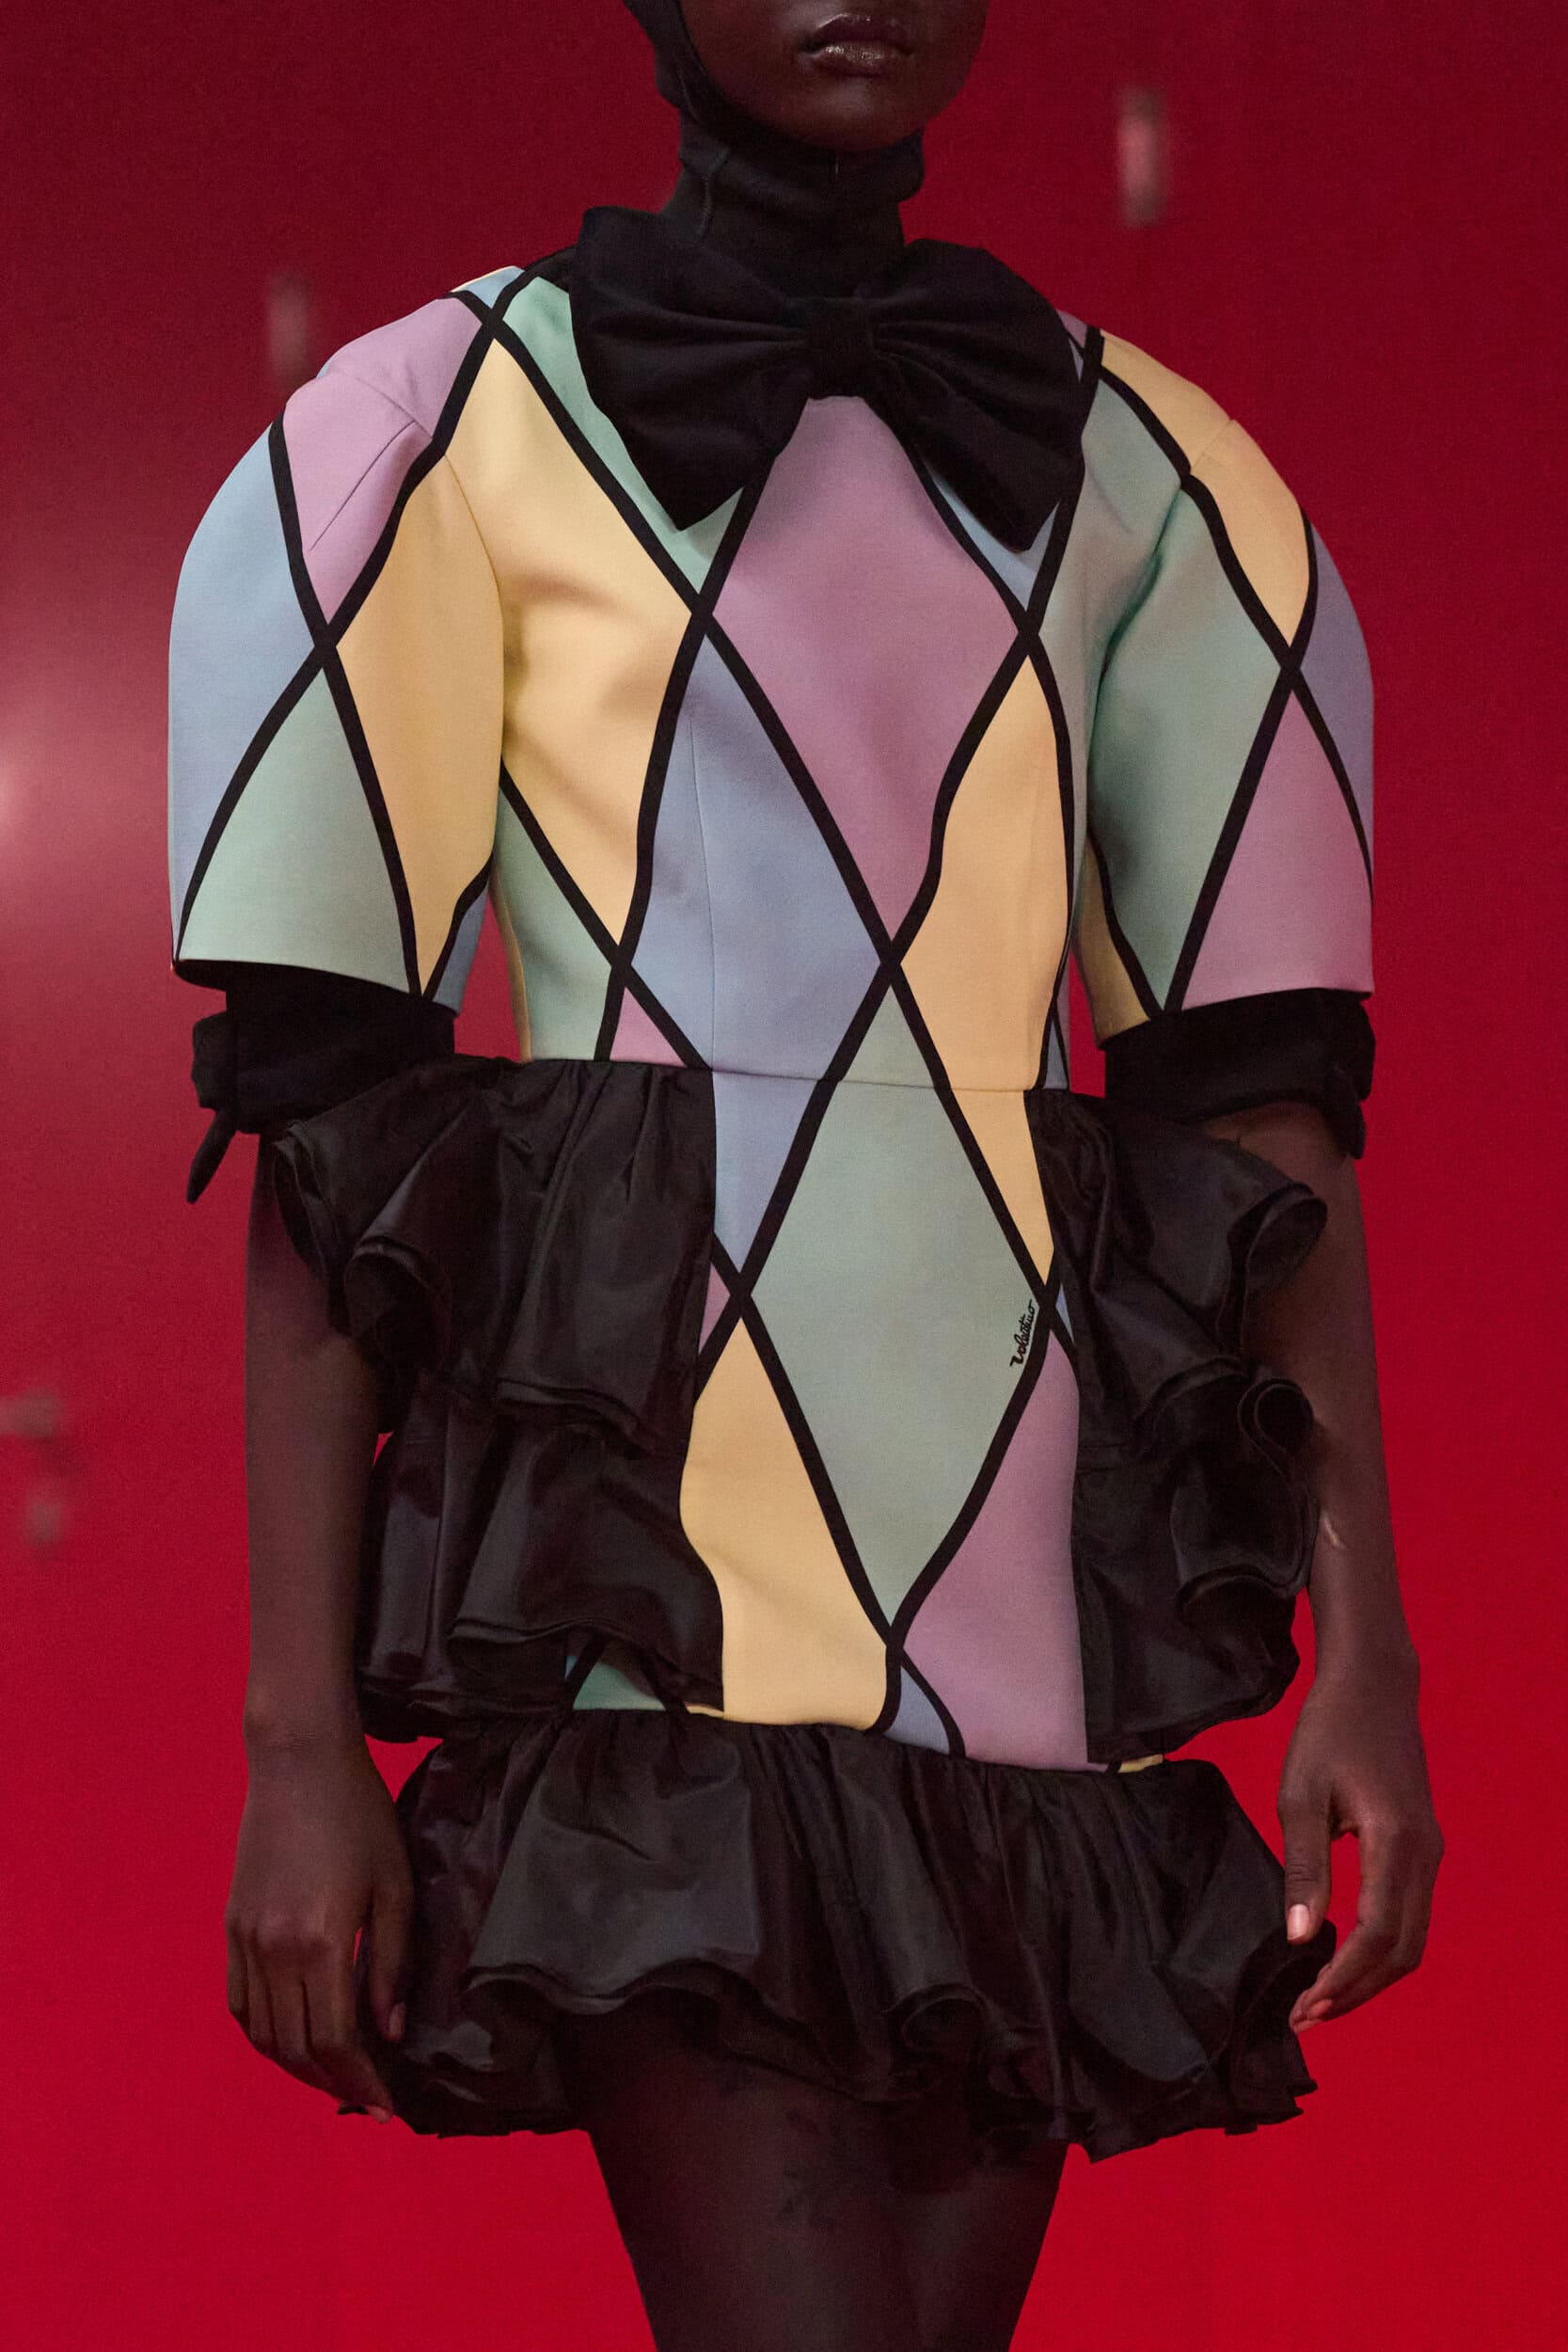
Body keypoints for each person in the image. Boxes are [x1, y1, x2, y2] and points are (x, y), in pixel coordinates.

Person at [166, 4, 1443, 2346]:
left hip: (1019, 1616)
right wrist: (297, 1738)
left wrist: (1371, 1649)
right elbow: (333, 1146)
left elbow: (1263, 1114)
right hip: (652, 1595)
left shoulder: (1156, 473)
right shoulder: (436, 432)